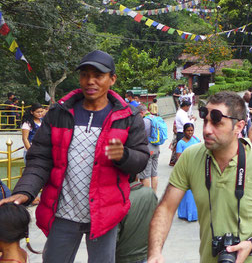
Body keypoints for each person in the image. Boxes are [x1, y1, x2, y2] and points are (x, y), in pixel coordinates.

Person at [0, 50, 149, 263]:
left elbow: (142, 158)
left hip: (104, 213)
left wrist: (123, 156)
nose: (90, 81)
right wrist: (24, 191)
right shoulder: (59, 113)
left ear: (112, 79)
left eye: (98, 75)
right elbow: (40, 159)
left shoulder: (128, 117)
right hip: (62, 212)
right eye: (85, 75)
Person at [147, 91, 252, 263]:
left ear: (239, 126)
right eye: (206, 120)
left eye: (217, 123)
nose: (207, 129)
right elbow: (166, 208)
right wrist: (155, 252)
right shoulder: (190, 158)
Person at [115, 175, 158, 263]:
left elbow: (114, 237)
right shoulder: (150, 193)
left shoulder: (119, 200)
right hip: (146, 253)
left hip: (124, 257)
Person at [175, 123, 201, 221]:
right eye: (188, 130)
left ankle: (194, 214)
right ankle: (185, 213)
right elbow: (179, 159)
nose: (190, 132)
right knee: (186, 193)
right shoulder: (180, 143)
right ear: (184, 131)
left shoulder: (196, 140)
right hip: (185, 171)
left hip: (196, 170)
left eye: (191, 130)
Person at [139, 104, 161, 193]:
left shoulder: (145, 121)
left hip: (148, 149)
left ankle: (147, 197)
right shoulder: (155, 118)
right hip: (156, 148)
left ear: (141, 112)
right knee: (154, 173)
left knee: (145, 175)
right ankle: (154, 194)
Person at [170, 99, 194, 166]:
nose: (188, 109)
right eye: (188, 107)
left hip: (180, 132)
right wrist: (192, 120)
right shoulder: (181, 113)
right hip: (181, 133)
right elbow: (186, 124)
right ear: (185, 106)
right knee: (181, 149)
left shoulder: (181, 112)